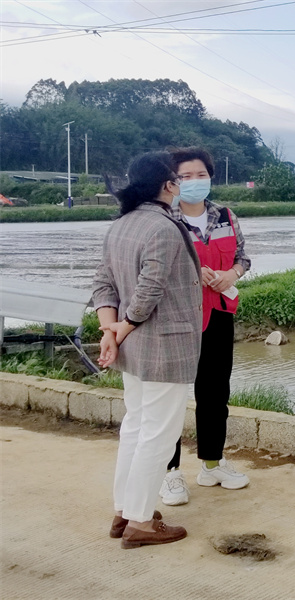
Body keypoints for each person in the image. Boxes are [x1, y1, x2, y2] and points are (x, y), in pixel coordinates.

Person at [93, 151, 202, 548]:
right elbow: (150, 290)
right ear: (168, 185)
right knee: (158, 434)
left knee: (136, 428)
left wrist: (111, 329)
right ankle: (140, 522)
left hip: (133, 349)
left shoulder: (120, 224)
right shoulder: (162, 227)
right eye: (177, 179)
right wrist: (123, 326)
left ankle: (125, 510)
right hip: (163, 347)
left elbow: (103, 282)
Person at [158, 147, 251, 507]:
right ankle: (169, 474)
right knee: (172, 398)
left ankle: (212, 463)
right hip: (178, 319)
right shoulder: (165, 219)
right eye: (185, 176)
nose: (194, 182)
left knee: (214, 393)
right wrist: (191, 273)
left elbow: (243, 256)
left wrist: (232, 273)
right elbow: (154, 265)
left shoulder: (225, 216)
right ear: (171, 182)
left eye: (201, 175)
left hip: (219, 313)